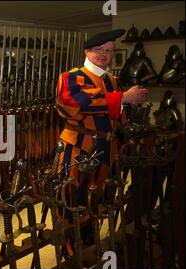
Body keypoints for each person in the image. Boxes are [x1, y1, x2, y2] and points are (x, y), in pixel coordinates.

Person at [55, 29, 148, 251]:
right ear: (87, 50)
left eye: (108, 50)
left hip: (107, 145)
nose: (103, 54)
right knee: (71, 194)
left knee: (98, 194)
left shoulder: (113, 81)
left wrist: (126, 112)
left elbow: (113, 113)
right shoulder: (70, 77)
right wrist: (124, 97)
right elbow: (73, 105)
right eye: (98, 49)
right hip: (79, 145)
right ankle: (67, 245)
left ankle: (88, 236)